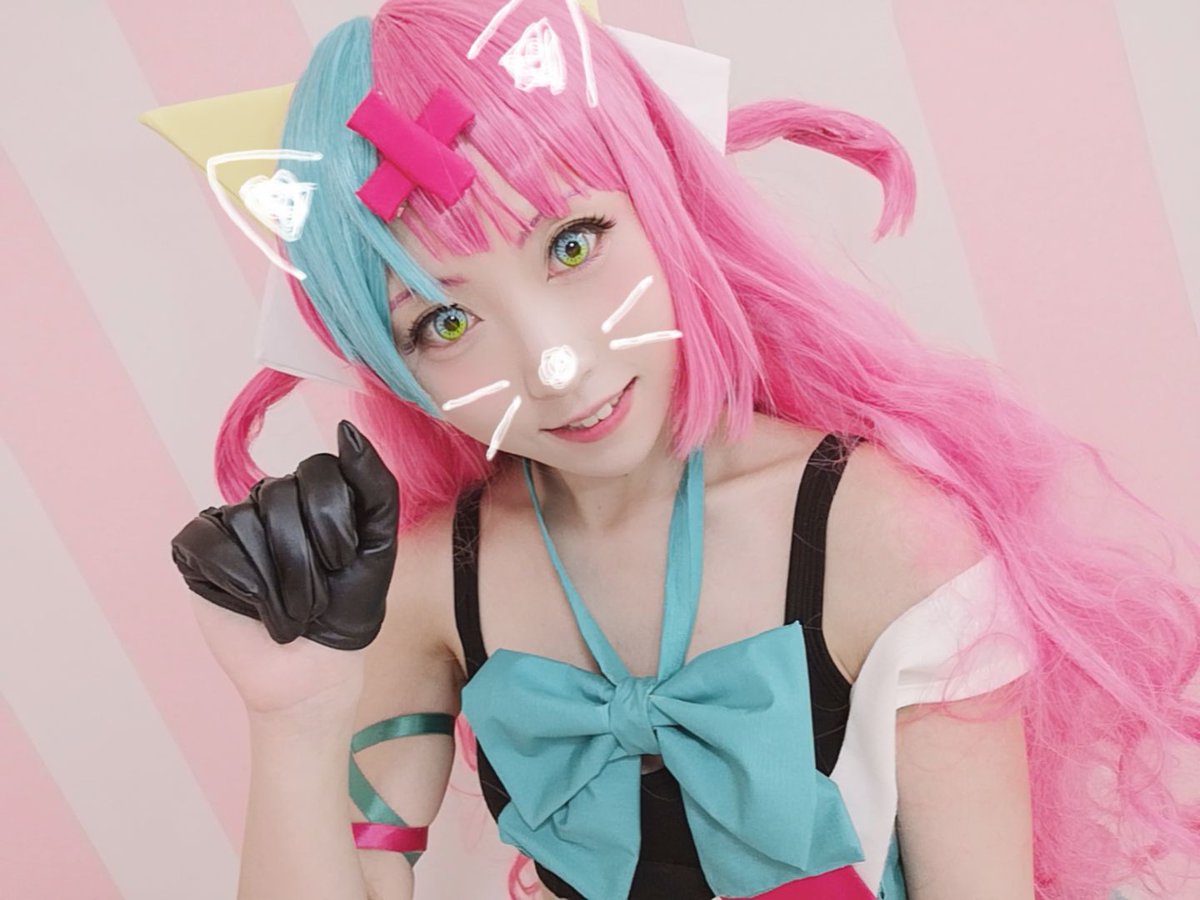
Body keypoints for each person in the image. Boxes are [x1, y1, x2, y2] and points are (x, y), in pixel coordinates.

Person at [166, 1, 1200, 898]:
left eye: (573, 243)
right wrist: (293, 717)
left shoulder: (885, 534)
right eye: (443, 320)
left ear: (663, 204)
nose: (557, 364)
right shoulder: (437, 582)